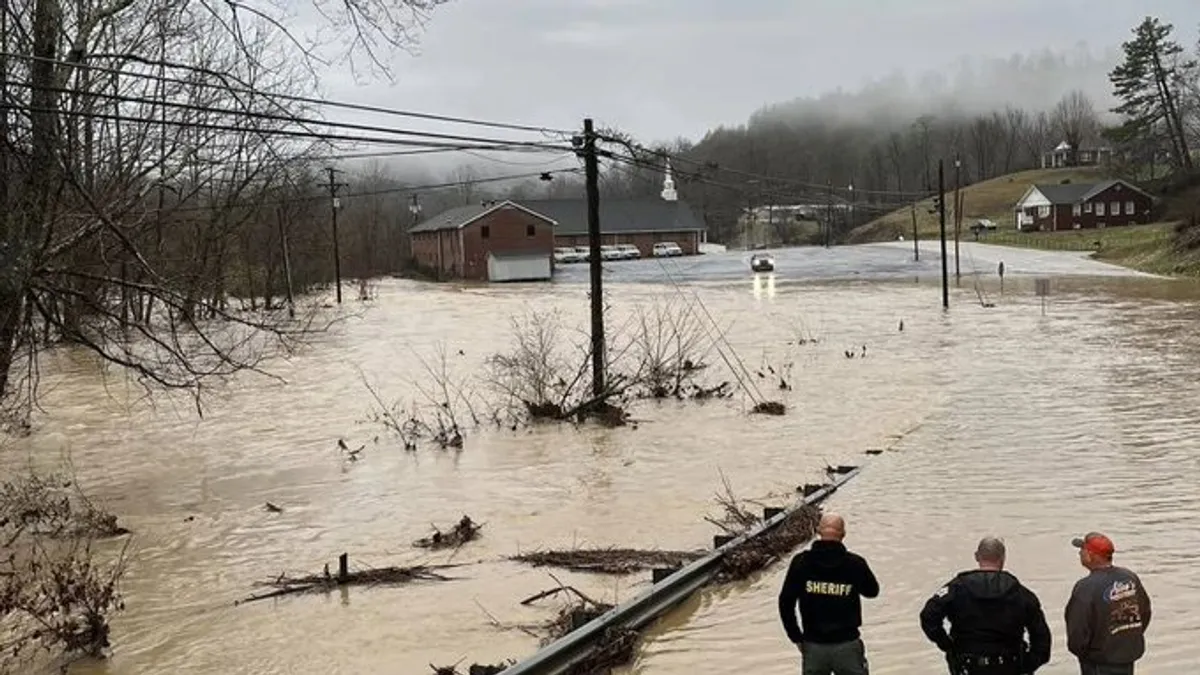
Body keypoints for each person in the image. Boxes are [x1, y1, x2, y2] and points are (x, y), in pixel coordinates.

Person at [919, 537, 1051, 674]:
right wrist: (1027, 665)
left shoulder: (957, 588)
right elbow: (1042, 640)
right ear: (1003, 557)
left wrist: (948, 646)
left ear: (977, 556)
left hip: (967, 665)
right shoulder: (1021, 594)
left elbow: (928, 616)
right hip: (1009, 664)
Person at [778, 513, 879, 675]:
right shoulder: (855, 563)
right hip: (847, 645)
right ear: (843, 535)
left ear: (818, 531)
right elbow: (872, 592)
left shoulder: (801, 563)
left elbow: (785, 603)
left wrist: (795, 636)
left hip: (814, 646)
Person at [1065, 532, 1152, 675]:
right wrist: (1129, 638)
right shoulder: (1129, 577)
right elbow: (1145, 612)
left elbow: (1077, 631)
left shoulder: (1086, 587)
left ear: (1090, 555)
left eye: (1082, 550)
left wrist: (1085, 654)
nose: (1079, 553)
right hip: (1126, 657)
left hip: (1098, 662)